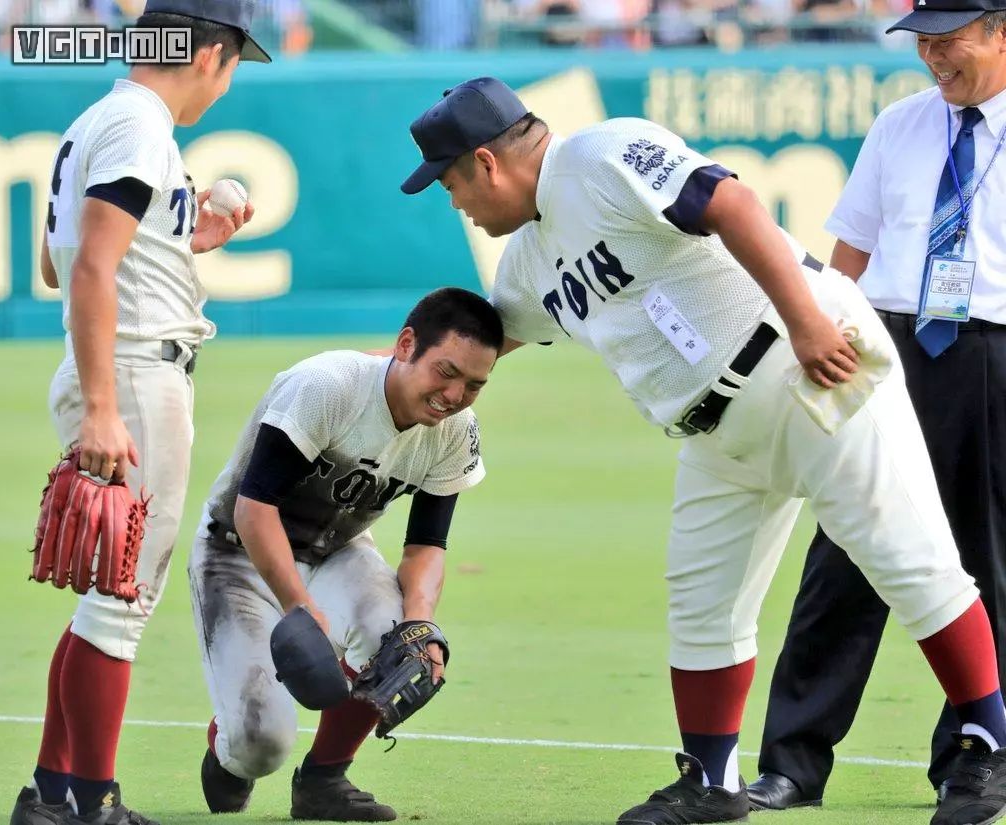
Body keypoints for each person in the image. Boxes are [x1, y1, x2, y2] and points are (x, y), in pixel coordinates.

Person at [401, 76, 1006, 825]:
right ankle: (712, 782)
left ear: (487, 163)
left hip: (799, 361)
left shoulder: (601, 153)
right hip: (713, 429)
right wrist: (393, 377)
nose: (455, 201)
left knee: (908, 560)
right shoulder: (525, 260)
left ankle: (990, 742)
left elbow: (732, 205)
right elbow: (488, 341)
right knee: (702, 603)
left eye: (452, 183)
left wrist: (807, 321)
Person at [10, 3, 268, 824]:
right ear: (211, 55)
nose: (226, 85)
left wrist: (186, 237)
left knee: (102, 603)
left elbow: (56, 262)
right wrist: (101, 408)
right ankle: (95, 802)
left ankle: (50, 795)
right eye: (235, 66)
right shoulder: (139, 126)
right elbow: (87, 267)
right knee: (121, 606)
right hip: (131, 377)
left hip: (117, 369)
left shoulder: (101, 119)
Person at [745, 0, 1006, 813]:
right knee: (843, 555)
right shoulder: (900, 126)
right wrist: (819, 337)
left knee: (990, 563)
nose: (933, 57)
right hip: (886, 350)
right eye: (923, 42)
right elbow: (849, 252)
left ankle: (976, 758)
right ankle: (792, 761)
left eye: (949, 40)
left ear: (1001, 30)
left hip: (996, 351)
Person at [190, 288, 501, 822]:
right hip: (236, 552)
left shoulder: (456, 430)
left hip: (337, 548)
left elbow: (427, 545)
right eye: (446, 372)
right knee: (261, 745)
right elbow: (253, 508)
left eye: (474, 385)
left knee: (394, 640)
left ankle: (324, 779)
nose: (454, 395)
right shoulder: (328, 386)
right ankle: (230, 745)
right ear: (406, 345)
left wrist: (419, 625)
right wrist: (300, 606)